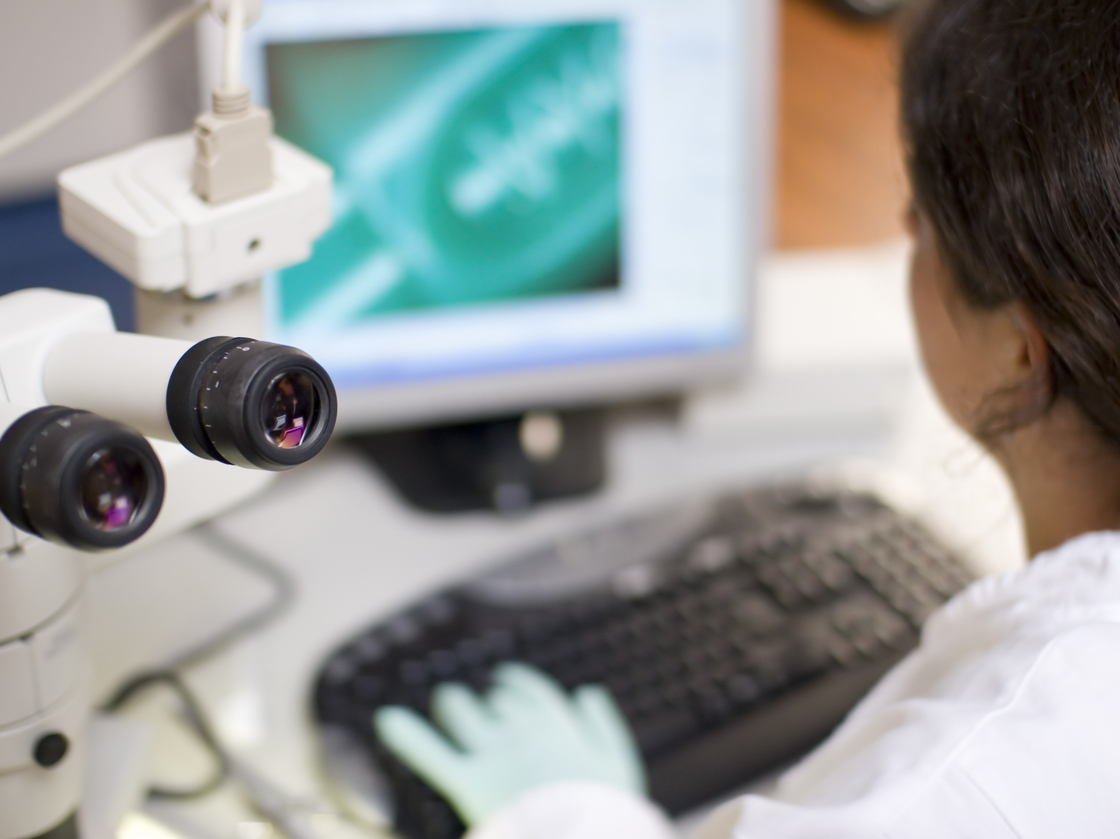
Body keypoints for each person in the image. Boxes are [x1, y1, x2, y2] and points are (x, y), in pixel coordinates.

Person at [374, 0, 1120, 835]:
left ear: (1023, 353)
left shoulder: (957, 789)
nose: (903, 232)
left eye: (922, 222)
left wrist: (559, 813)